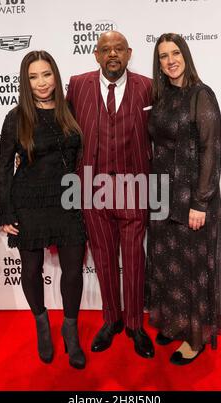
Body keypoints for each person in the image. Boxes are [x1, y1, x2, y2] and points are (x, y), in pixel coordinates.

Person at [0, 50, 87, 369]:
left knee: (74, 271)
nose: (41, 82)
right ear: (25, 82)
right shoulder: (16, 117)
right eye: (33, 77)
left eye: (46, 74)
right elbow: (5, 166)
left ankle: (70, 329)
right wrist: (6, 211)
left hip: (67, 200)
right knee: (31, 271)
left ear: (56, 76)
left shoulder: (71, 112)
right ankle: (42, 324)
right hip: (29, 200)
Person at [66, 31, 155, 358]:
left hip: (135, 188)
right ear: (96, 54)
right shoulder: (77, 85)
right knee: (103, 257)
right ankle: (111, 319)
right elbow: (63, 127)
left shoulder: (147, 86)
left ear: (129, 53)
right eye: (106, 49)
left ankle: (134, 324)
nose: (113, 54)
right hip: (92, 189)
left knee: (133, 259)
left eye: (119, 49)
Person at [145, 33, 221, 365]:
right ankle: (173, 323)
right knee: (166, 265)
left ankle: (194, 337)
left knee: (191, 269)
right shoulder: (161, 98)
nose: (170, 60)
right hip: (161, 195)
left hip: (191, 197)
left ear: (186, 55)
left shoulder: (200, 96)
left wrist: (201, 201)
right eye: (163, 56)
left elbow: (210, 149)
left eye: (175, 53)